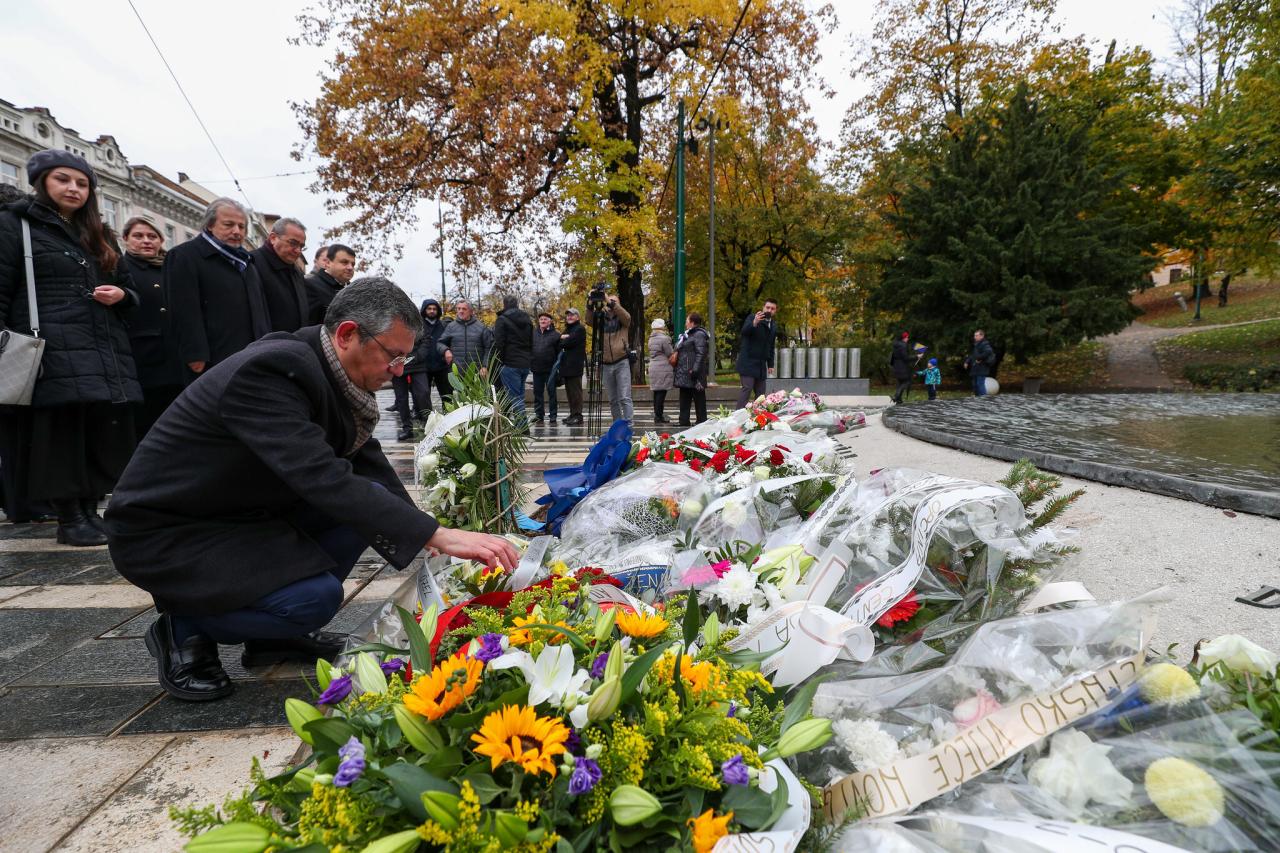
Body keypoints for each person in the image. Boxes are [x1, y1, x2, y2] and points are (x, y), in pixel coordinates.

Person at [105, 277, 519, 702]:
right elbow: (320, 476)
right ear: (347, 334)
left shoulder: (329, 372)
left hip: (236, 512)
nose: (398, 370)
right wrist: (437, 534)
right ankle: (184, 625)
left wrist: (427, 533)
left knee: (365, 513)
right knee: (313, 599)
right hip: (170, 531)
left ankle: (272, 640)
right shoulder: (271, 372)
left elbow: (366, 465)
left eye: (405, 358)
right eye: (393, 356)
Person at [0, 149, 143, 546]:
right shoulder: (15, 225)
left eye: (82, 183)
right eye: (63, 179)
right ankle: (69, 516)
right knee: (61, 434)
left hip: (102, 346)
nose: (74, 188)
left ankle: (89, 511)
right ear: (41, 181)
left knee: (97, 432)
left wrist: (122, 296)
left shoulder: (99, 233)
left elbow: (130, 289)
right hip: (50, 346)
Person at [165, 198, 271, 381]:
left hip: (251, 355)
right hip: (212, 361)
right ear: (210, 225)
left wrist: (265, 344)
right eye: (228, 225)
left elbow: (261, 309)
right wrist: (195, 355)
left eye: (241, 226)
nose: (236, 231)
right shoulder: (184, 256)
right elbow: (183, 310)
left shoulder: (246, 262)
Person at [120, 217, 183, 440]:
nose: (146, 241)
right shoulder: (119, 268)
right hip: (141, 361)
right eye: (138, 236)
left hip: (176, 360)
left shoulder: (171, 269)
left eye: (152, 236)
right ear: (125, 239)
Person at [252, 218, 310, 333]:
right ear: (273, 238)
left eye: (301, 246)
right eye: (293, 243)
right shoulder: (252, 264)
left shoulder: (297, 272)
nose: (298, 251)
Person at [585, 289, 633, 424]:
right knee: (613, 399)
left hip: (621, 361)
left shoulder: (623, 319)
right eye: (609, 301)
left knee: (625, 397)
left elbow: (627, 318)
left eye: (614, 302)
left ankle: (629, 425)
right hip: (605, 363)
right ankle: (617, 425)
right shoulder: (600, 317)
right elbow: (588, 320)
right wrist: (590, 302)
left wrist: (609, 300)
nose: (611, 304)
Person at [493, 295, 533, 423]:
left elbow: (499, 344)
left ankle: (522, 426)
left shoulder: (502, 320)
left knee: (515, 397)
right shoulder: (527, 320)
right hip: (524, 364)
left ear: (504, 304)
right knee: (519, 396)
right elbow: (531, 341)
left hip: (510, 363)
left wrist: (500, 362)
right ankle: (522, 424)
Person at [735, 298, 778, 408]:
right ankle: (737, 415)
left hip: (761, 365)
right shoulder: (752, 318)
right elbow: (744, 332)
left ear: (775, 311)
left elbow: (771, 346)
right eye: (767, 307)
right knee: (747, 388)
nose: (769, 310)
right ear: (763, 308)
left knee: (761, 394)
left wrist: (771, 364)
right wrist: (754, 323)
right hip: (747, 362)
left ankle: (757, 416)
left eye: (772, 309)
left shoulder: (773, 325)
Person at [438, 299, 494, 375]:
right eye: (458, 309)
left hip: (477, 373)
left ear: (471, 311)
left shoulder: (481, 327)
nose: (461, 311)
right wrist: (446, 350)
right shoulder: (451, 327)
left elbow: (489, 348)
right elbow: (440, 343)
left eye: (464, 309)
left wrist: (485, 366)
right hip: (456, 373)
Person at [304, 243, 356, 324]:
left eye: (353, 264)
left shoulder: (354, 291)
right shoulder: (311, 285)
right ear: (328, 263)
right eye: (344, 262)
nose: (350, 267)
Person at [674, 313, 711, 425]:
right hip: (685, 372)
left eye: (687, 321)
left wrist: (695, 369)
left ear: (692, 322)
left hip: (694, 372)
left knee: (699, 397)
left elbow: (701, 353)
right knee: (684, 396)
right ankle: (683, 420)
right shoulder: (687, 335)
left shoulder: (699, 334)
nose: (685, 323)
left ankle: (701, 420)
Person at [530, 312, 561, 425]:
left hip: (550, 370)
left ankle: (553, 415)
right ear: (539, 321)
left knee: (552, 393)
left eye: (545, 319)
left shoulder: (556, 335)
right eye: (541, 319)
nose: (543, 321)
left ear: (550, 321)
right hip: (536, 369)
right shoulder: (533, 334)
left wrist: (558, 368)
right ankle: (539, 415)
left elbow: (559, 353)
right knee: (537, 393)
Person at [558, 307, 586, 425]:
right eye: (568, 315)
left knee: (576, 392)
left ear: (577, 317)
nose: (569, 317)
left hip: (575, 365)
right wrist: (563, 338)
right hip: (566, 366)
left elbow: (567, 342)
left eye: (572, 315)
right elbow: (559, 342)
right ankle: (572, 413)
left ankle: (578, 415)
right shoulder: (568, 329)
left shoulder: (579, 329)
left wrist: (564, 338)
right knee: (569, 392)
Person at [647, 317, 674, 424]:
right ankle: (659, 416)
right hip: (663, 367)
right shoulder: (664, 339)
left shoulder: (651, 338)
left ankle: (657, 415)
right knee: (661, 393)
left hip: (653, 366)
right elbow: (669, 352)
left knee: (656, 392)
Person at [964, 329, 996, 397]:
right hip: (975, 367)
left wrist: (979, 358)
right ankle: (977, 399)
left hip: (982, 368)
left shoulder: (984, 344)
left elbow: (988, 351)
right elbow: (972, 355)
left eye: (976, 335)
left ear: (982, 336)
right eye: (974, 335)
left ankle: (983, 400)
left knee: (980, 384)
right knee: (975, 385)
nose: (975, 337)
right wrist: (967, 362)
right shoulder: (976, 345)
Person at [889, 331, 914, 404]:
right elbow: (905, 358)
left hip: (896, 366)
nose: (908, 339)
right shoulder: (903, 346)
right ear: (904, 338)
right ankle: (896, 396)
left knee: (900, 382)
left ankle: (899, 400)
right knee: (907, 382)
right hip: (902, 367)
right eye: (907, 337)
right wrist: (916, 357)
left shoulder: (896, 345)